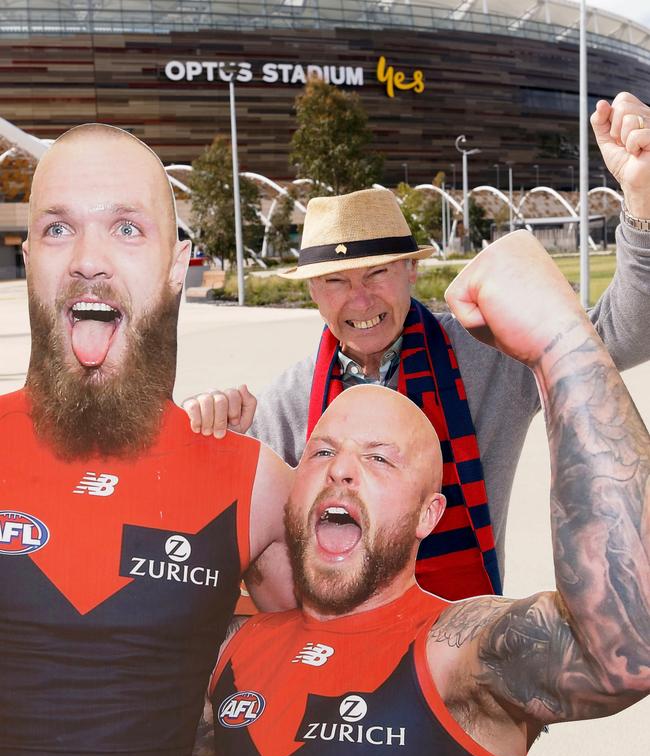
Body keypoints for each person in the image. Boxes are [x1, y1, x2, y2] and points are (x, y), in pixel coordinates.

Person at [198, 230, 650, 756]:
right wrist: (193, 472)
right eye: (321, 452)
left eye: (380, 457)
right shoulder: (241, 649)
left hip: (451, 628)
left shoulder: (456, 656)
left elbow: (623, 645)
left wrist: (560, 339)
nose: (340, 470)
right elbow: (88, 716)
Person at [184, 91, 650, 601]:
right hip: (335, 649)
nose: (360, 299)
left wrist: (643, 203)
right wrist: (215, 443)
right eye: (335, 281)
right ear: (312, 291)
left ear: (412, 269)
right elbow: (232, 546)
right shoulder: (289, 403)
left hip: (459, 645)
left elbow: (620, 335)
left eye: (378, 272)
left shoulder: (484, 353)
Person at [0, 124, 295, 756]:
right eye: (58, 228)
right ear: (28, 259)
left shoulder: (251, 481)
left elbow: (349, 658)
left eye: (126, 228)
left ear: (175, 266)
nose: (88, 261)